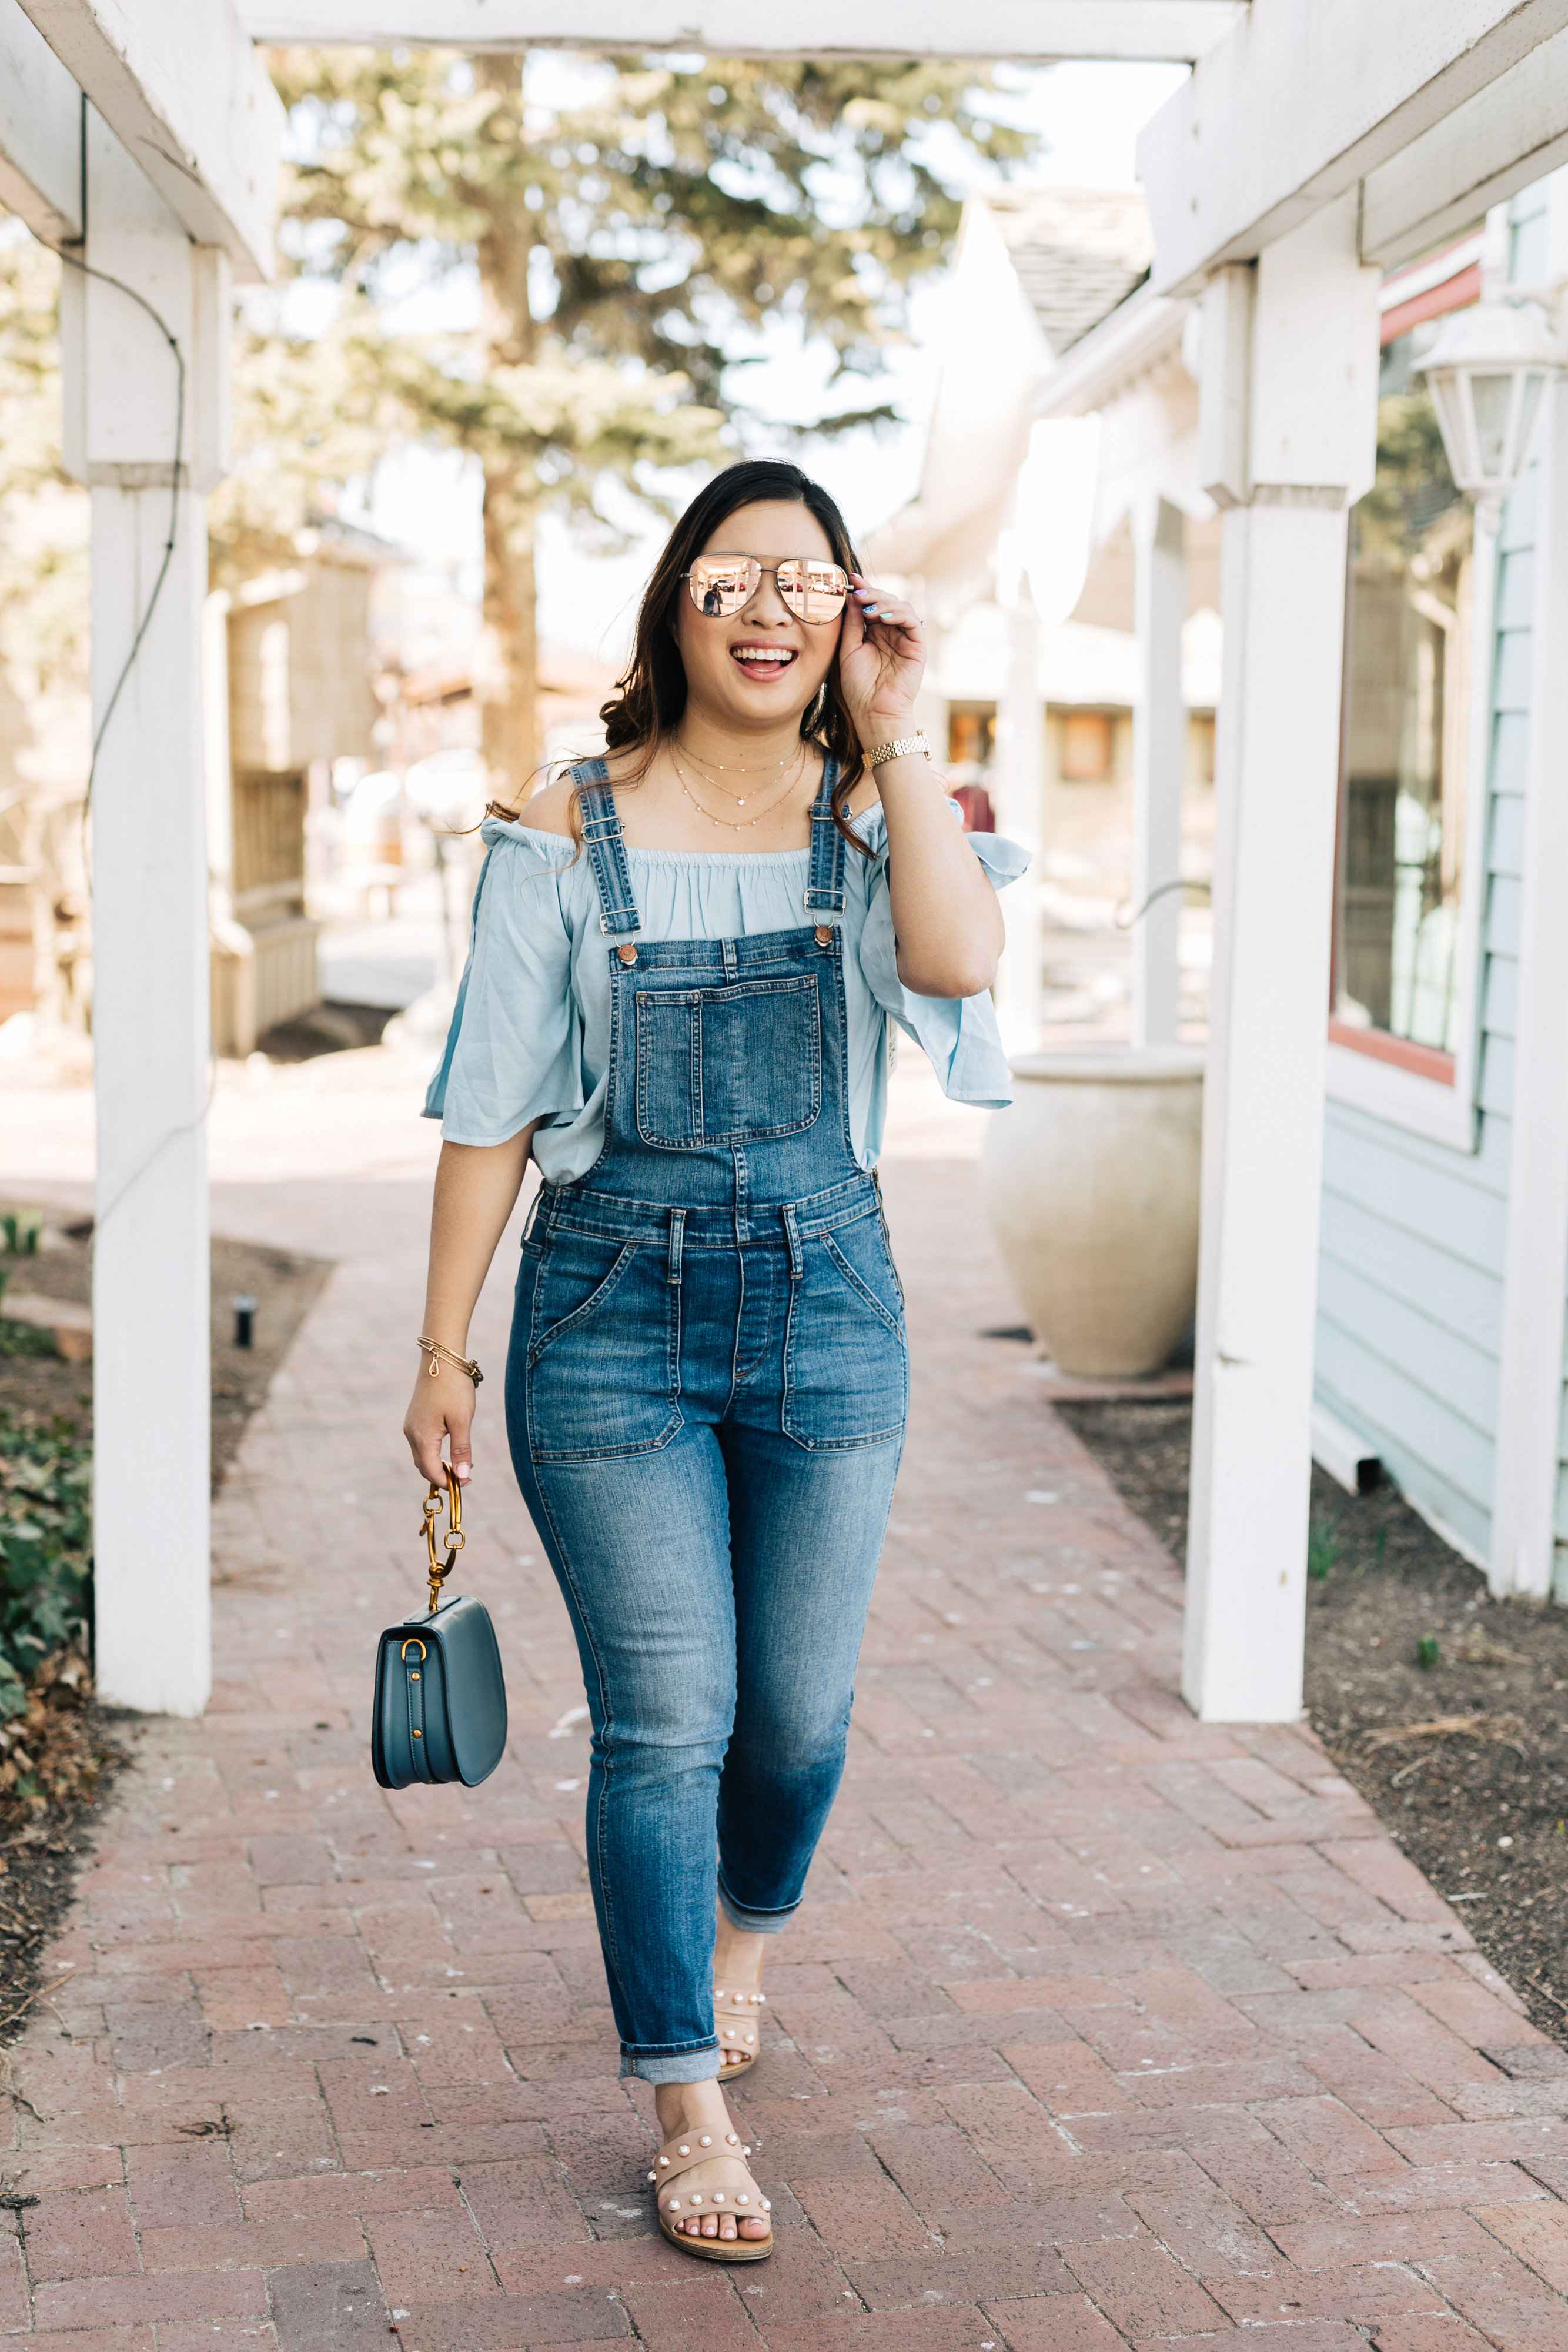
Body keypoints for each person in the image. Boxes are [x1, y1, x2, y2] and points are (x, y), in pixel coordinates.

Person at [404, 458, 1025, 2265]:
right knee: (665, 1724)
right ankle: (686, 2098)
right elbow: (488, 1104)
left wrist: (900, 730)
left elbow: (957, 958)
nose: (766, 611)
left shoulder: (872, 814)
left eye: (806, 584)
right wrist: (440, 1346)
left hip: (827, 1304)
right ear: (675, 604)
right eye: (729, 578)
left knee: (797, 1721)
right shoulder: (565, 817)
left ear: (850, 617)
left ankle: (746, 1934)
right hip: (606, 1319)